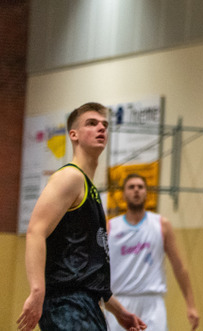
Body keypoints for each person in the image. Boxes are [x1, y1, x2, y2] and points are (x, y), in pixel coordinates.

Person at [18, 102, 147, 331]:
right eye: (92, 123)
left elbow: (87, 271)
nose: (101, 128)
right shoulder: (70, 177)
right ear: (73, 135)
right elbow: (35, 231)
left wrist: (119, 312)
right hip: (67, 303)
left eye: (105, 125)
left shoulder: (90, 189)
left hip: (87, 305)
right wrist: (37, 291)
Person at [104, 174, 200, 331]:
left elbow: (179, 267)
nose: (136, 190)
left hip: (152, 302)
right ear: (123, 194)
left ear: (146, 193)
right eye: (131, 187)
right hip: (120, 302)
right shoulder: (110, 227)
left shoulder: (161, 225)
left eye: (140, 187)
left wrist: (191, 305)